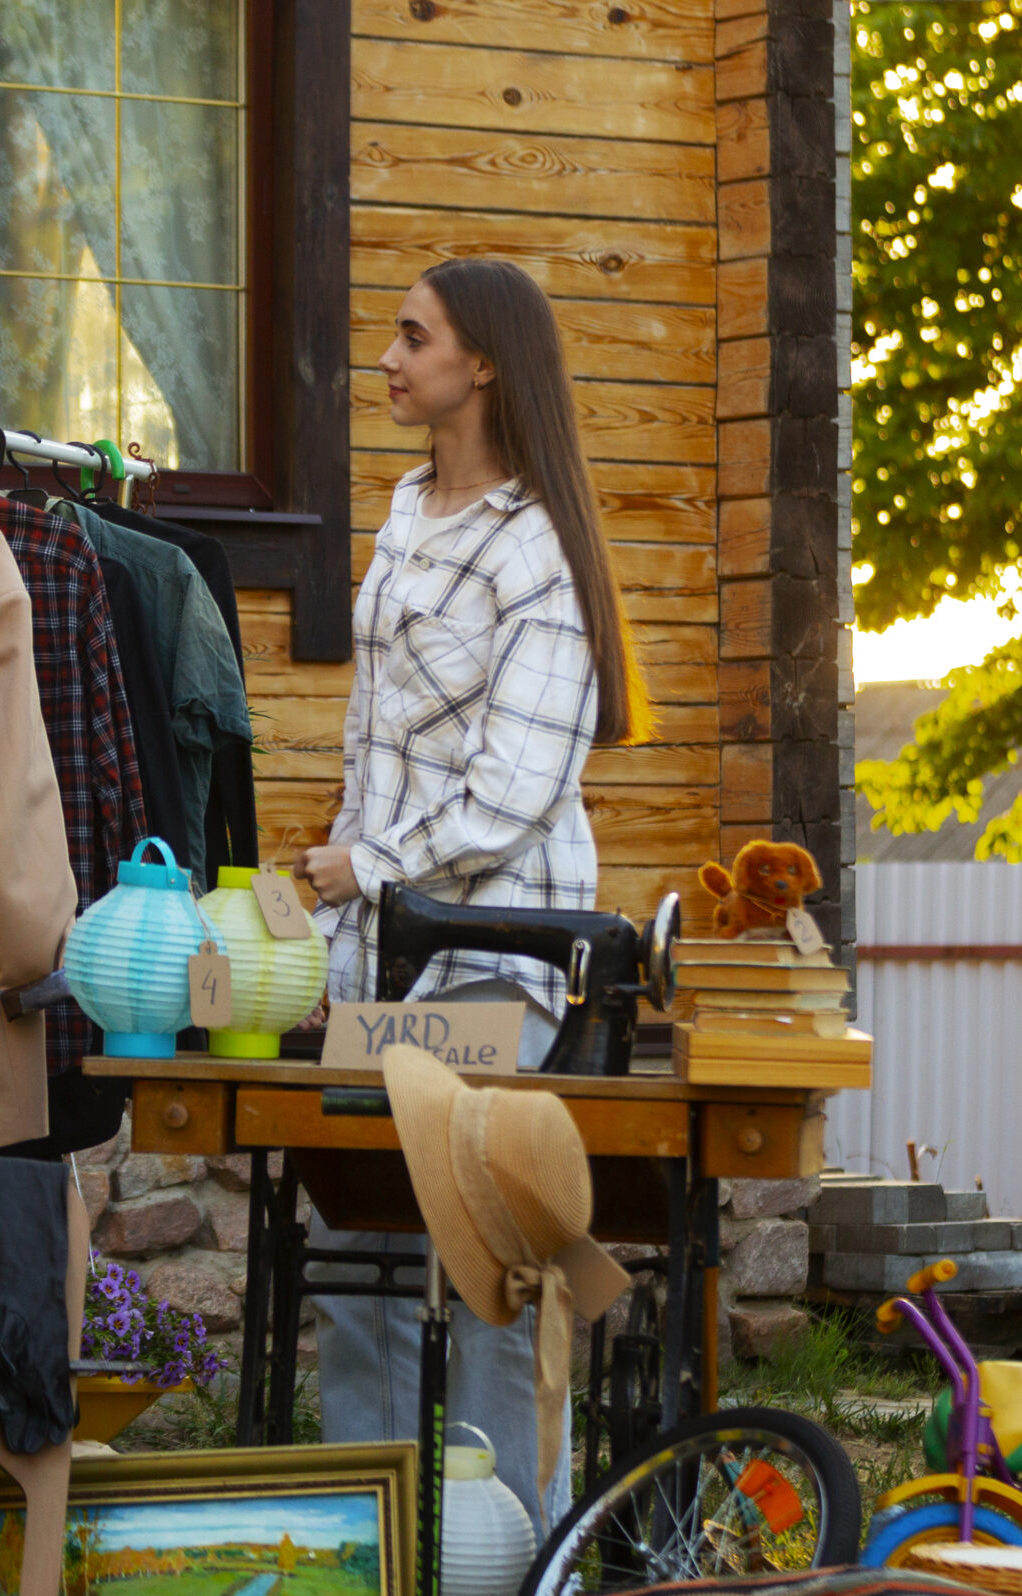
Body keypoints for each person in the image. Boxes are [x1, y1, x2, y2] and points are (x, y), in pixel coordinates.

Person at [291, 256, 642, 1528]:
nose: (385, 356)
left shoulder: (534, 551)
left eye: (411, 336)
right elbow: (375, 745)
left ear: (480, 363)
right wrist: (341, 885)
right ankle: (361, 1562)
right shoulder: (403, 512)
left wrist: (369, 864)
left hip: (496, 962)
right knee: (359, 1262)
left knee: (484, 1263)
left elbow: (514, 788)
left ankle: (514, 1572)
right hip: (378, 956)